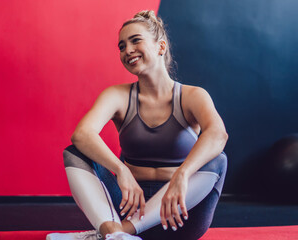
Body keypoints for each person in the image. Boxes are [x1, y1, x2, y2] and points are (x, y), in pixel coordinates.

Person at [47, 10, 228, 240]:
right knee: (75, 153)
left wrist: (182, 175)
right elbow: (82, 134)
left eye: (135, 41)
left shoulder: (192, 96)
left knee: (218, 159)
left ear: (161, 47)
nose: (127, 51)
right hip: (129, 206)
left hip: (178, 213)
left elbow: (218, 134)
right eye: (122, 46)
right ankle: (114, 232)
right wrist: (121, 170)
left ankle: (112, 234)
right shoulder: (117, 95)